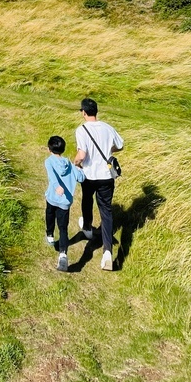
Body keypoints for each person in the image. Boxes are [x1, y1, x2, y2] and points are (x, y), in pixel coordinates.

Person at [74, 97, 124, 272]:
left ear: (84, 112)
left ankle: (87, 227)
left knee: (87, 200)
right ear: (96, 111)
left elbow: (82, 155)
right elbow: (120, 145)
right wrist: (109, 150)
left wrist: (76, 163)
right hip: (106, 176)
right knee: (106, 210)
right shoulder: (108, 128)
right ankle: (108, 252)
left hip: (89, 174)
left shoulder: (81, 130)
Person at [44, 135, 84, 272]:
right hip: (65, 202)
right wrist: (79, 167)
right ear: (63, 149)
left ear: (49, 149)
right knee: (63, 228)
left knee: (50, 215)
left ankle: (49, 235)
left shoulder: (49, 161)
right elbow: (81, 178)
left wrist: (56, 187)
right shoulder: (70, 164)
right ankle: (63, 254)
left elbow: (52, 176)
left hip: (52, 197)